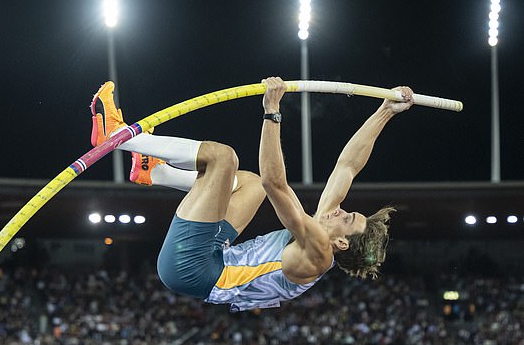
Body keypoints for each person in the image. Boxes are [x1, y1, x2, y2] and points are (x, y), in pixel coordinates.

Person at [89, 77, 414, 312]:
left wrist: (272, 110)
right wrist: (385, 111)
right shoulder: (324, 230)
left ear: (341, 242)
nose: (340, 210)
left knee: (222, 159)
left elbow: (277, 183)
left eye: (347, 218)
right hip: (217, 254)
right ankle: (154, 171)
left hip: (191, 270)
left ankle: (116, 136)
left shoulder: (317, 251)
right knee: (250, 184)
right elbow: (348, 166)